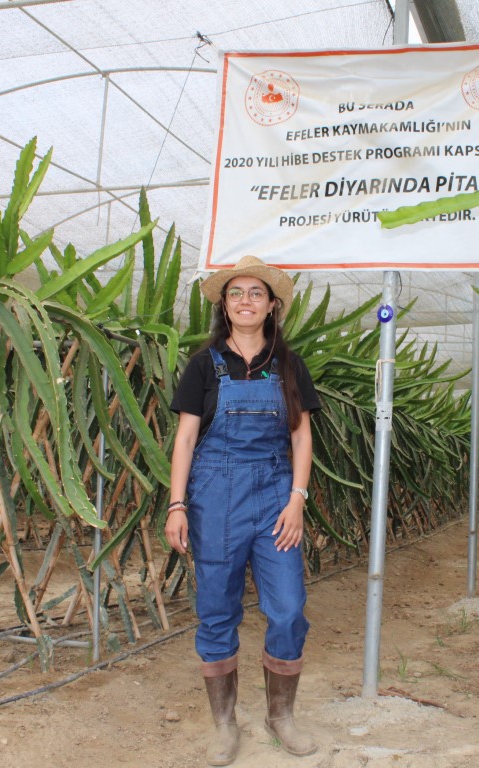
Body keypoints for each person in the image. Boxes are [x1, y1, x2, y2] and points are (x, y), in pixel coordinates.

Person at [165, 255, 322, 766]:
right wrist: (177, 504)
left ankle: (282, 716)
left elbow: (301, 434)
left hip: (276, 494)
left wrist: (297, 499)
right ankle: (225, 724)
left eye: (257, 293)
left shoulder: (289, 364)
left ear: (272, 305)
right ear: (224, 305)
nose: (246, 301)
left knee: (288, 608)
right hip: (216, 497)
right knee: (216, 610)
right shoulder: (203, 364)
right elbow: (186, 439)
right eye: (236, 293)